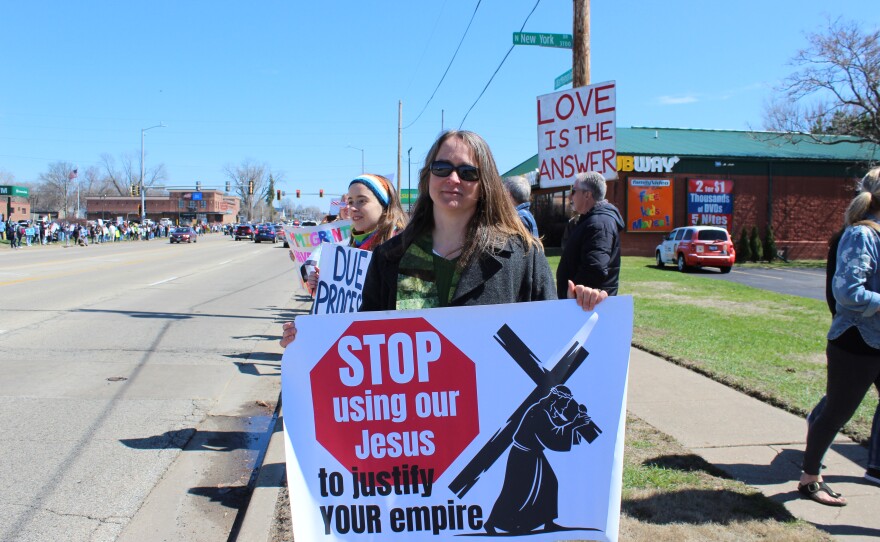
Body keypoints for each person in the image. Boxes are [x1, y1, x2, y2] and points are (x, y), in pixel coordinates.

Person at [281, 130, 606, 347]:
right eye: (441, 168)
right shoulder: (390, 258)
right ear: (427, 177)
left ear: (485, 184)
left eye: (468, 172)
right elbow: (364, 346)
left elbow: (550, 342)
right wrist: (311, 343)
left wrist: (584, 309)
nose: (453, 179)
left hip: (493, 430)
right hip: (414, 433)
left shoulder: (522, 255)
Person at [799, 167, 880, 506]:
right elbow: (848, 292)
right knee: (836, 412)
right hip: (857, 341)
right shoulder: (862, 235)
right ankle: (810, 478)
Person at [304, 174, 408, 294]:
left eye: (362, 201)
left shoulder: (401, 246)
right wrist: (322, 286)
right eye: (351, 201)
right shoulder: (347, 247)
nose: (352, 208)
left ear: (384, 206)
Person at [556, 171, 624, 298]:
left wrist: (575, 294)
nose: (570, 197)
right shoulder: (591, 220)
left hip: (586, 306)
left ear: (587, 194)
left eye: (573, 191)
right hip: (581, 306)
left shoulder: (599, 223)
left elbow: (594, 267)